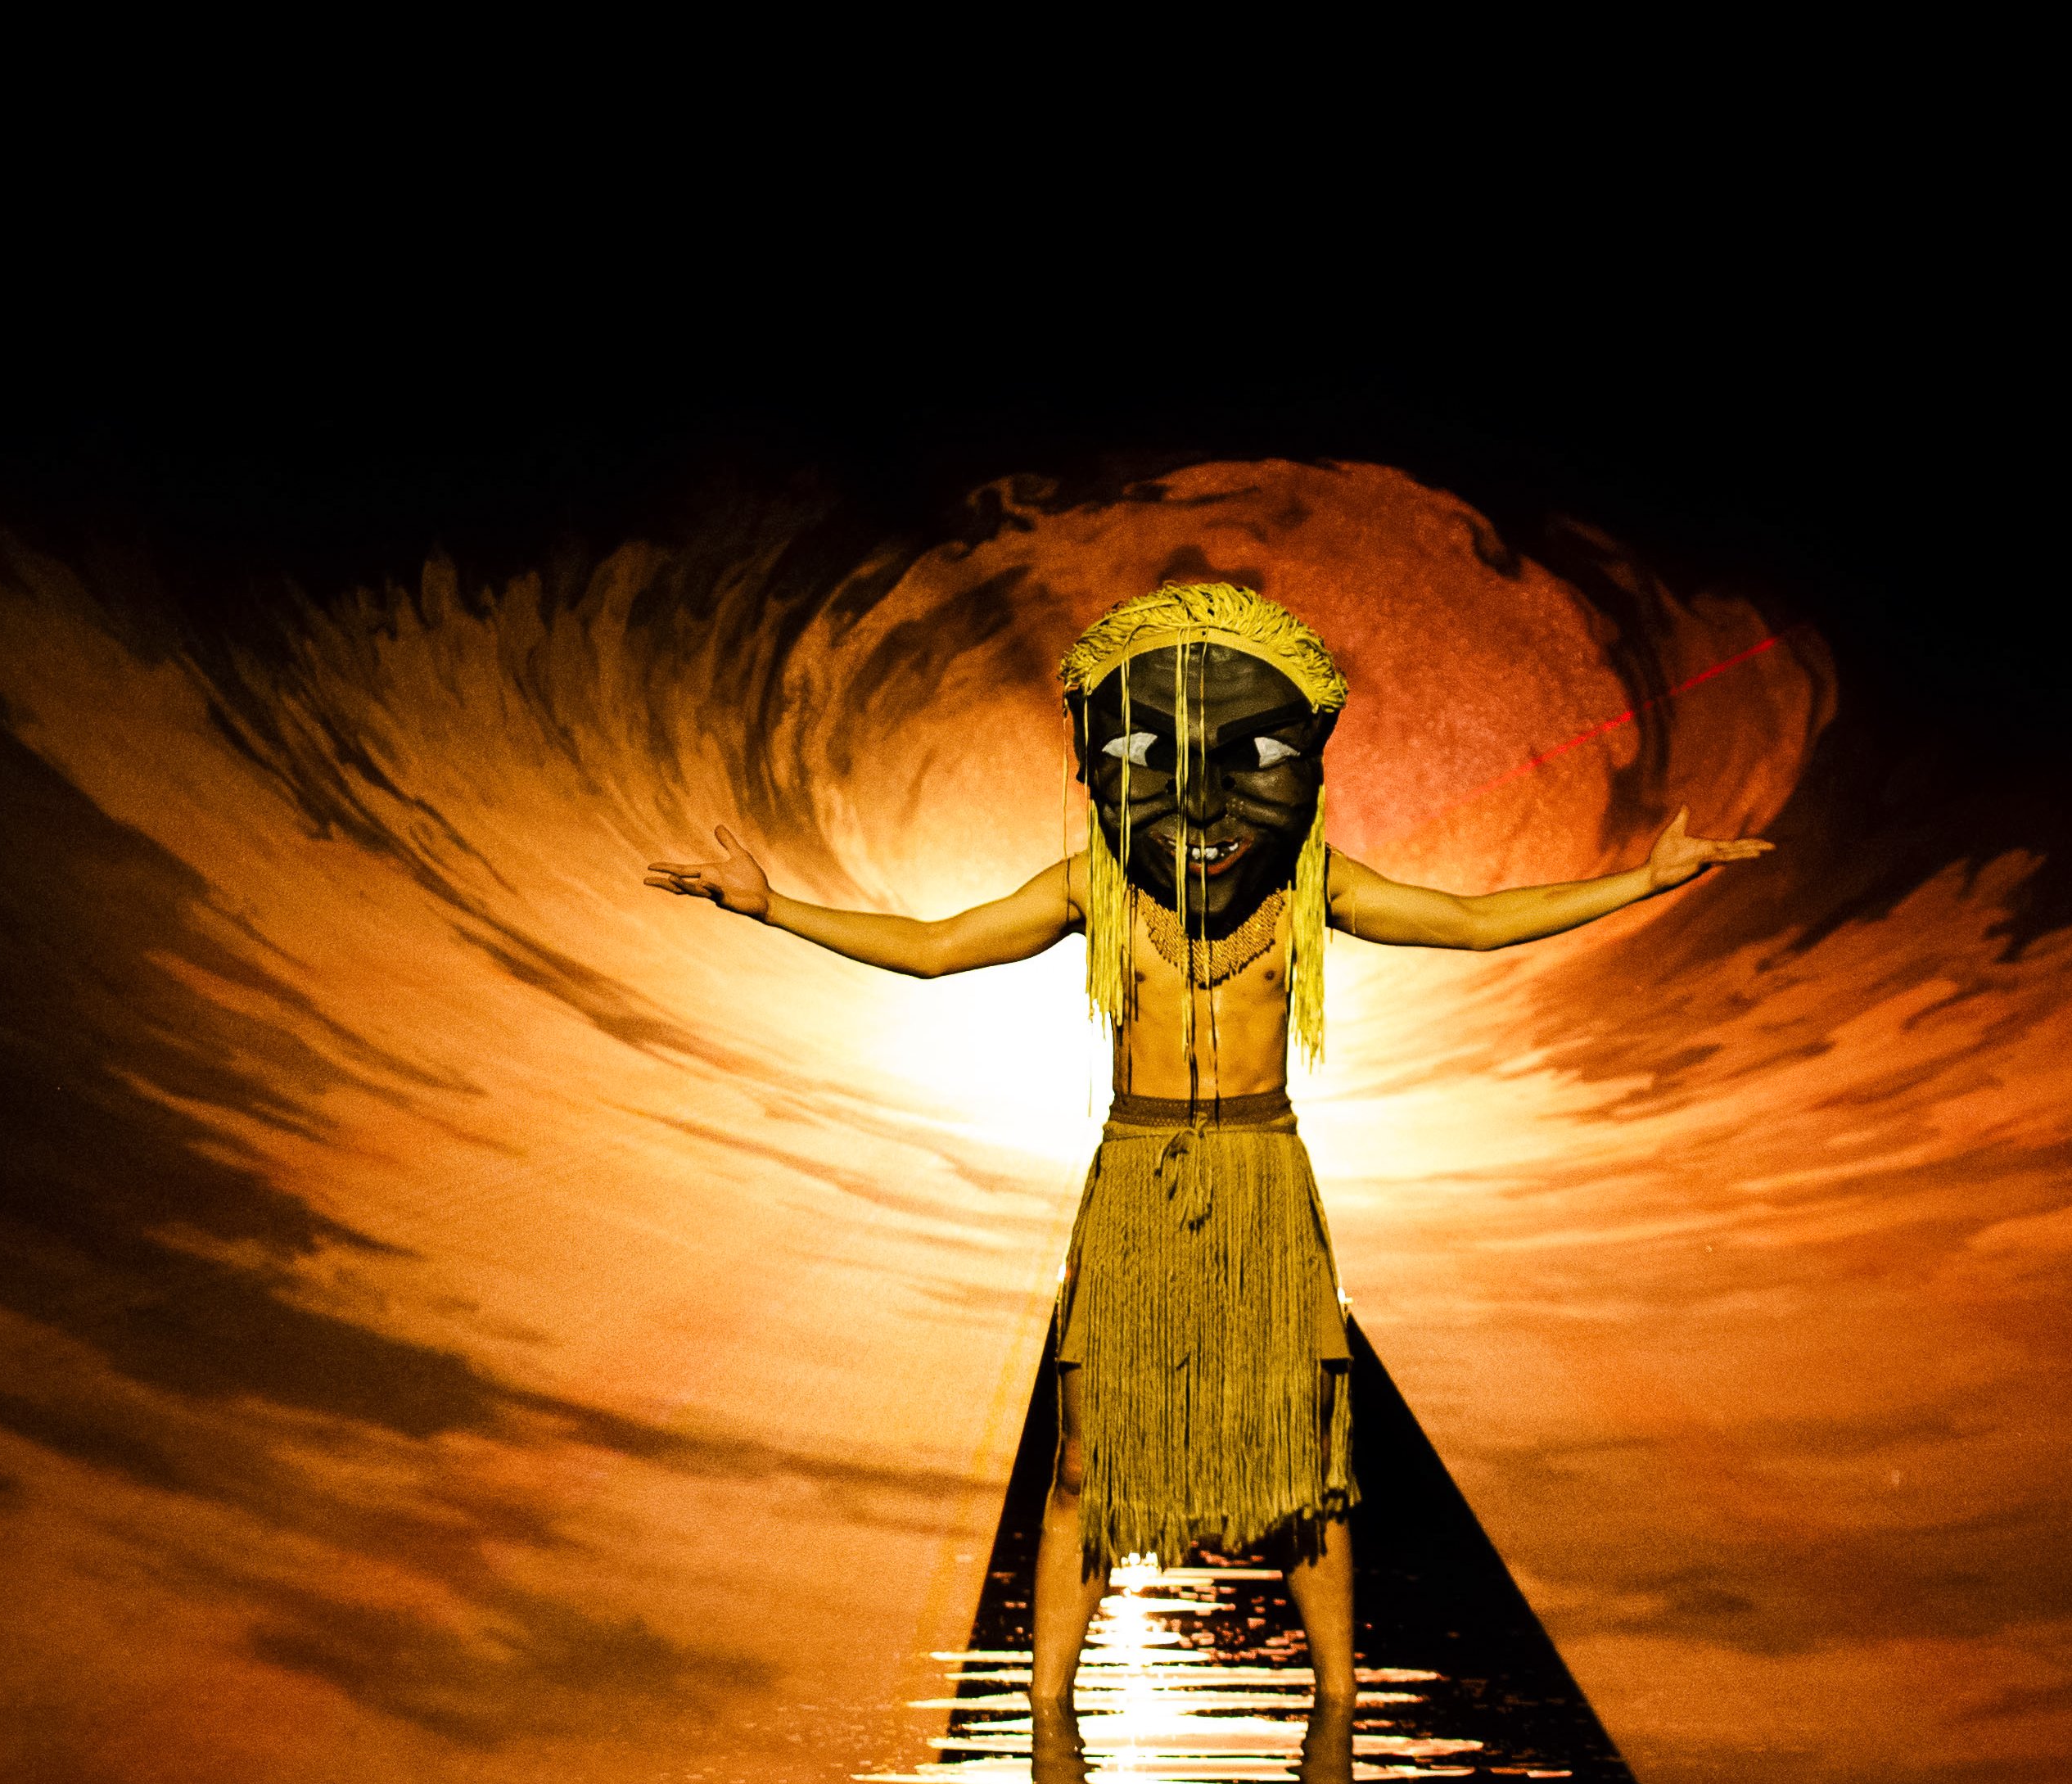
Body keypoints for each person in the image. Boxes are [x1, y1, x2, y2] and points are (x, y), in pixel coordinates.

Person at [643, 580, 1771, 1712]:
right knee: (1086, 1458)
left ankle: (1337, 1701)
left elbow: (1470, 923)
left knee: (1302, 1460)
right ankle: (1046, 1709)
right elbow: (937, 948)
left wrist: (1647, 878)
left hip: (1262, 1179)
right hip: (1135, 1181)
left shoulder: (1305, 888)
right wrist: (769, 905)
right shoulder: (1096, 890)